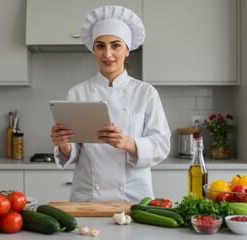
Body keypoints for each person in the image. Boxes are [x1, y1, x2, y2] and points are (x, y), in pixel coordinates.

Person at [50, 5, 171, 203]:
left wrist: (128, 143)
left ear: (127, 49)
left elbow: (162, 145)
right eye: (100, 46)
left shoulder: (146, 92)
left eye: (115, 45)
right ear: (93, 49)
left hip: (134, 198)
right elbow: (75, 151)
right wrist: (63, 144)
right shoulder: (77, 93)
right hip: (87, 198)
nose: (107, 54)